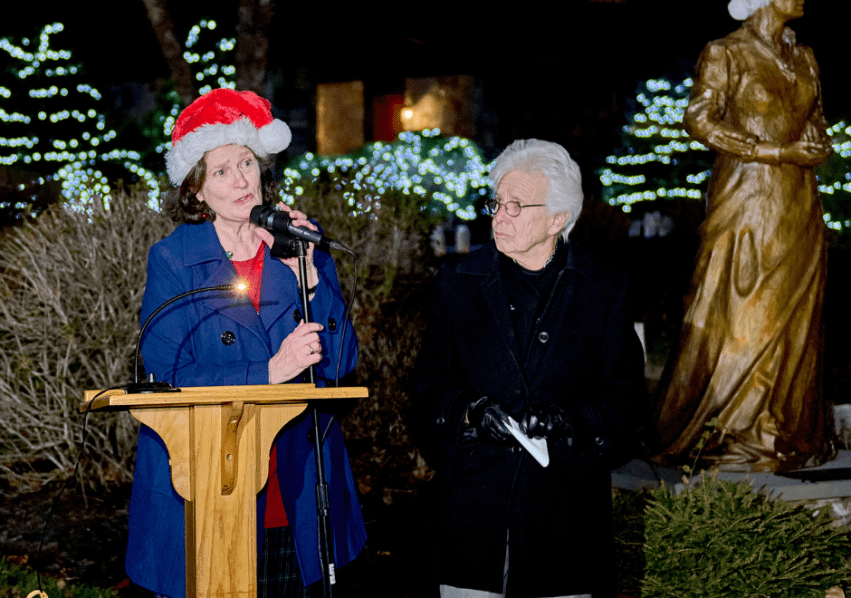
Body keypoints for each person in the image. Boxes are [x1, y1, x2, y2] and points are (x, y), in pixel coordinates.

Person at [125, 88, 365, 598]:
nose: (240, 181)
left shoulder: (299, 242)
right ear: (196, 191)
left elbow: (342, 361)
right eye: (220, 171)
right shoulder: (173, 259)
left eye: (247, 164)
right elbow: (168, 374)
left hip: (295, 488)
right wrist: (268, 373)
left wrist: (309, 278)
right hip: (205, 485)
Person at [410, 139, 647, 598]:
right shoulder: (457, 284)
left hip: (565, 527)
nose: (499, 217)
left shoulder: (603, 291)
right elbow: (427, 383)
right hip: (471, 520)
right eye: (497, 203)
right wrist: (469, 412)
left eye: (516, 206)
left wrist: (569, 420)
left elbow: (627, 401)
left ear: (558, 219)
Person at [647, 0, 836, 471]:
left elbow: (816, 119)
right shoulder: (725, 52)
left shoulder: (805, 56)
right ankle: (736, 426)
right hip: (748, 196)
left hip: (799, 198)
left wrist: (817, 142)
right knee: (747, 305)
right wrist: (771, 151)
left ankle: (785, 424)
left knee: (798, 312)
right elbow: (699, 119)